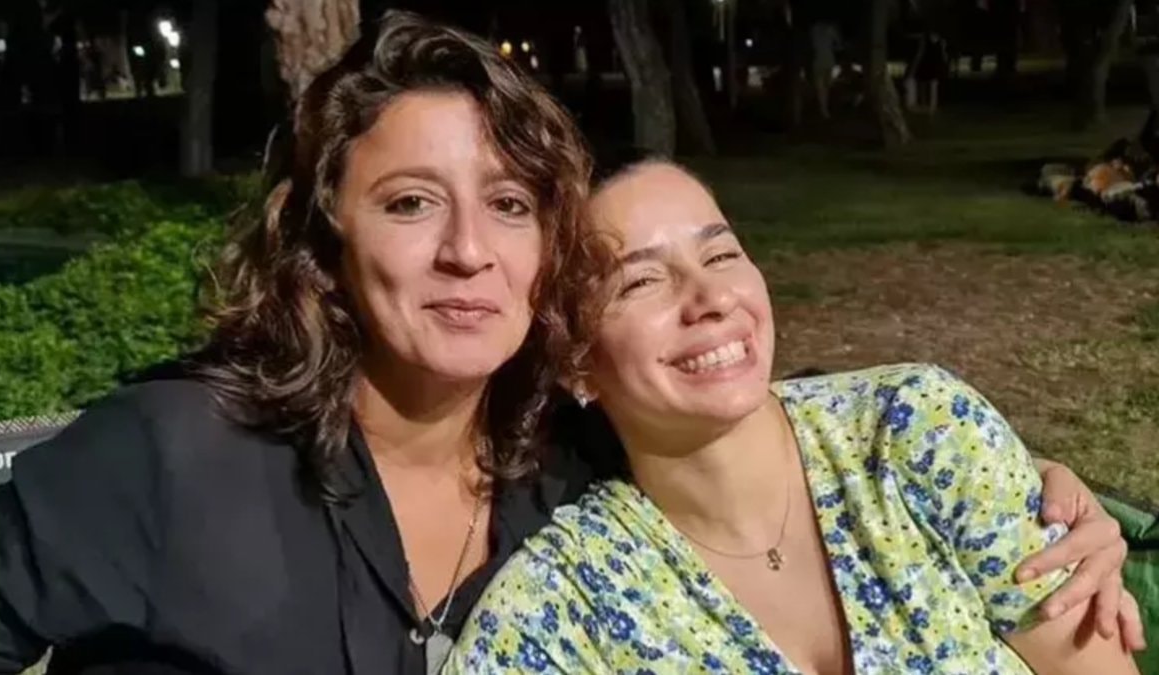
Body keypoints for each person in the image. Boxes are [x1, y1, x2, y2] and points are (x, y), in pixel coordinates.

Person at [0, 14, 1140, 675]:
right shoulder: (178, 457)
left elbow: (751, 428)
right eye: (410, 204)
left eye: (511, 205)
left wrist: (1037, 485)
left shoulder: (568, 472)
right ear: (323, 242)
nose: (469, 251)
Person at [445, 156, 1145, 674]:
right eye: (642, 280)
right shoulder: (566, 610)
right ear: (576, 365)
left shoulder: (915, 431)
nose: (711, 298)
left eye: (721, 253)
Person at [909, 31, 948, 116]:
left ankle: (930, 105)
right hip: (927, 65)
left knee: (930, 85)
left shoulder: (939, 41)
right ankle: (928, 105)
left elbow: (943, 54)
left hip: (932, 65)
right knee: (926, 85)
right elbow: (920, 53)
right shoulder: (927, 40)